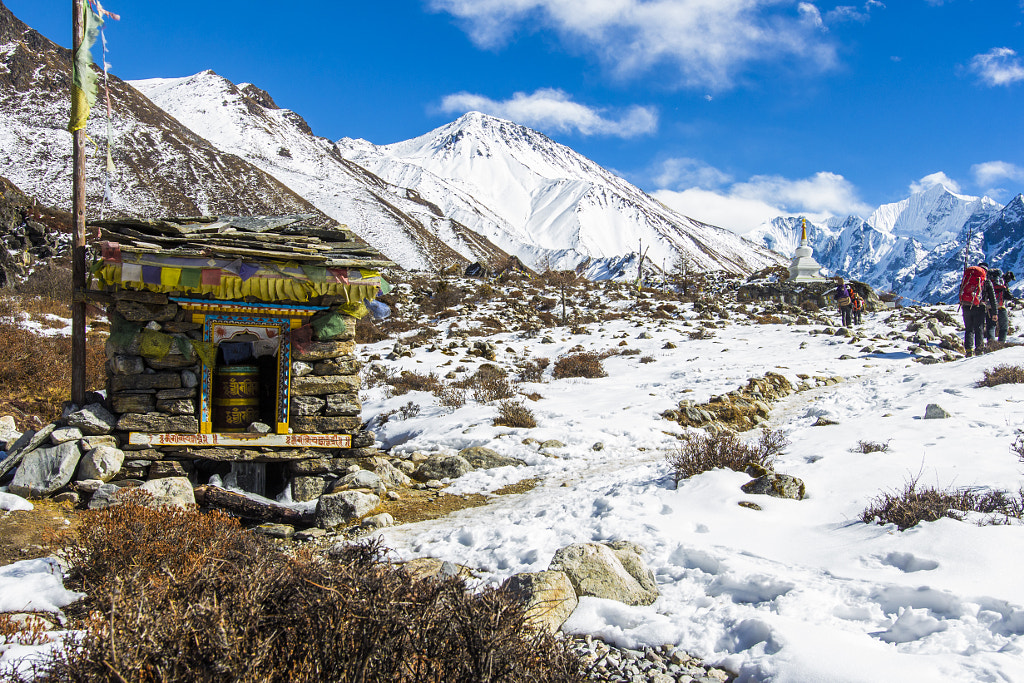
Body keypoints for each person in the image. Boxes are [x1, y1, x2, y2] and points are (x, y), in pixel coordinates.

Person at [960, 262, 997, 356]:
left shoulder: (967, 278)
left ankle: (968, 350)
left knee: (968, 329)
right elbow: (992, 298)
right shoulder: (986, 281)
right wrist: (995, 313)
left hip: (966, 305)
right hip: (979, 307)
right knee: (979, 328)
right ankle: (979, 350)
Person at [992, 269, 1017, 342]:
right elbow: (1008, 296)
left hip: (989, 307)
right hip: (1001, 307)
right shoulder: (1002, 284)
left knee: (991, 327)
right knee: (1004, 327)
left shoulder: (990, 282)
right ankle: (1000, 344)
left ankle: (991, 344)